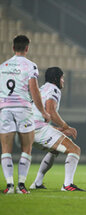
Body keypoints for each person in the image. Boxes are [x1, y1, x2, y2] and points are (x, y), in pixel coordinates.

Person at [0, 35, 50, 194]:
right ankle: (21, 186)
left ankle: (9, 186)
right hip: (23, 109)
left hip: (5, 109)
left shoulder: (2, 66)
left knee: (6, 149)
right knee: (26, 148)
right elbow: (34, 90)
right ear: (27, 48)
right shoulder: (30, 66)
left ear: (13, 48)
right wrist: (43, 111)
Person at [29, 67, 85, 191]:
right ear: (56, 79)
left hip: (28, 130)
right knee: (74, 150)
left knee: (55, 150)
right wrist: (66, 127)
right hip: (38, 129)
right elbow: (51, 112)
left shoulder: (42, 89)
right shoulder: (54, 89)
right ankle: (67, 185)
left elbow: (38, 114)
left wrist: (56, 129)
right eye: (62, 78)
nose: (63, 81)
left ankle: (37, 183)